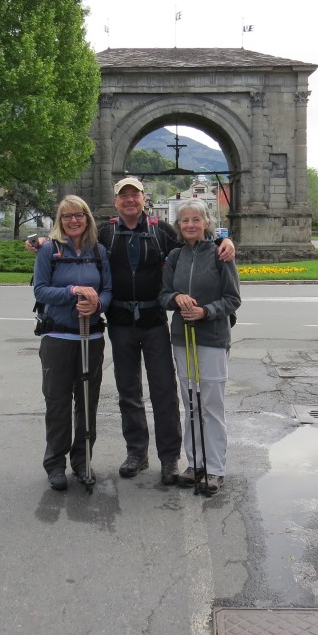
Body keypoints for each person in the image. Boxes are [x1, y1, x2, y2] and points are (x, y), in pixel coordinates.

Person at [99, 177, 235, 485]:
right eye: (123, 195)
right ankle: (137, 453)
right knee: (128, 392)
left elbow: (195, 245)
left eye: (135, 195)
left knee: (164, 391)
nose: (129, 200)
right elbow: (75, 237)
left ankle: (170, 457)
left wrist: (225, 243)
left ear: (143, 199)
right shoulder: (106, 232)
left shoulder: (161, 231)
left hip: (155, 322)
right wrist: (43, 243)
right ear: (116, 201)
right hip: (121, 322)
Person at [159, 200, 241, 495]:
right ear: (178, 225)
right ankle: (195, 463)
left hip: (213, 338)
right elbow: (163, 294)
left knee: (211, 405)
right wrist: (176, 298)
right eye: (185, 220)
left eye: (196, 219)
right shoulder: (175, 256)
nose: (190, 224)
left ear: (206, 223)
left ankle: (215, 468)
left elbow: (232, 299)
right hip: (183, 338)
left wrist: (205, 311)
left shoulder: (221, 254)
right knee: (191, 402)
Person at [33, 196, 112, 492]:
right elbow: (41, 291)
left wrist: (97, 305)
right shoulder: (49, 250)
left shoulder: (98, 251)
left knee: (87, 403)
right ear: (60, 220)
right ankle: (55, 464)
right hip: (58, 338)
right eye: (67, 216)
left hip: (91, 338)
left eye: (78, 215)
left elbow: (108, 290)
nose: (73, 220)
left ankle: (83, 462)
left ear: (87, 218)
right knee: (57, 402)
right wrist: (72, 291)